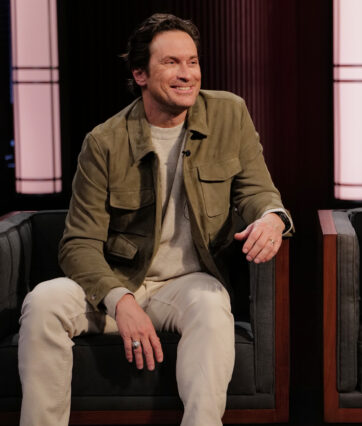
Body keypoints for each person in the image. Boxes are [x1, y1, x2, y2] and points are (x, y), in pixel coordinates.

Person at [18, 13, 292, 426]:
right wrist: (120, 300)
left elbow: (257, 191)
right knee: (43, 302)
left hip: (187, 282)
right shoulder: (104, 142)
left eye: (193, 62)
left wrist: (272, 218)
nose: (187, 74)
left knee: (212, 303)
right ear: (140, 74)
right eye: (171, 63)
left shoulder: (229, 113)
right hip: (116, 281)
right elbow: (78, 244)